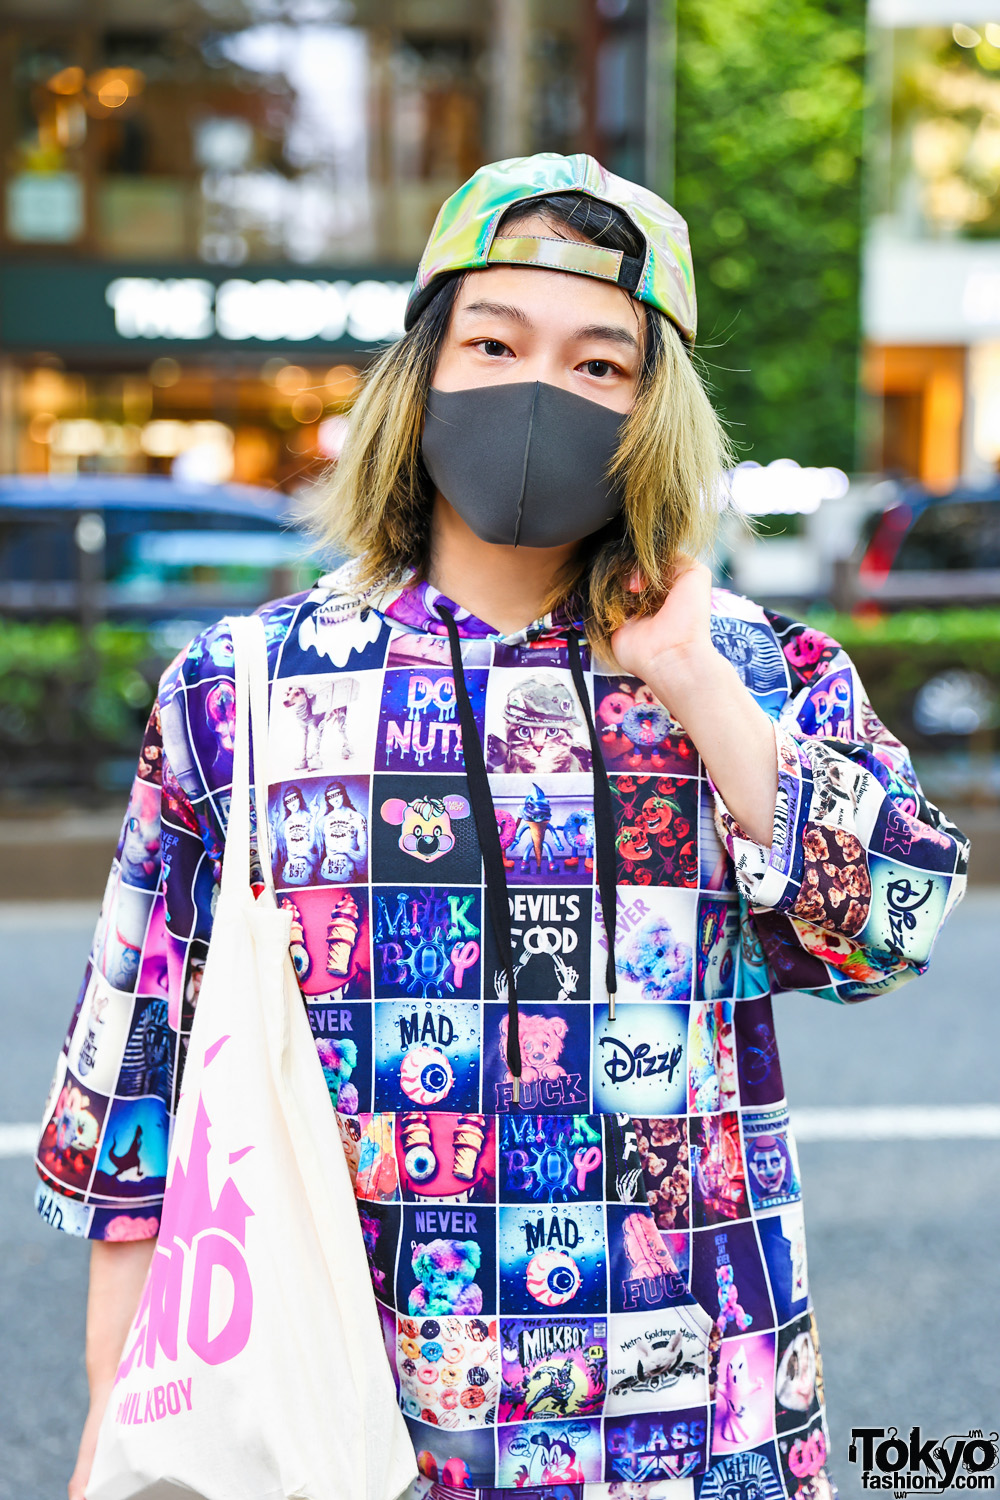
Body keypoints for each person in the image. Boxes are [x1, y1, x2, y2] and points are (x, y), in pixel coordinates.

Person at [36, 153, 967, 1500]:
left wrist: (696, 680)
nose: (544, 390)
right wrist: (112, 1426)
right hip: (338, 1413)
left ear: (659, 413)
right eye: (494, 340)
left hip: (688, 1426)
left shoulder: (750, 669)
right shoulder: (244, 687)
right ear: (420, 373)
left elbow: (896, 924)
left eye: (604, 365)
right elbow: (137, 1095)